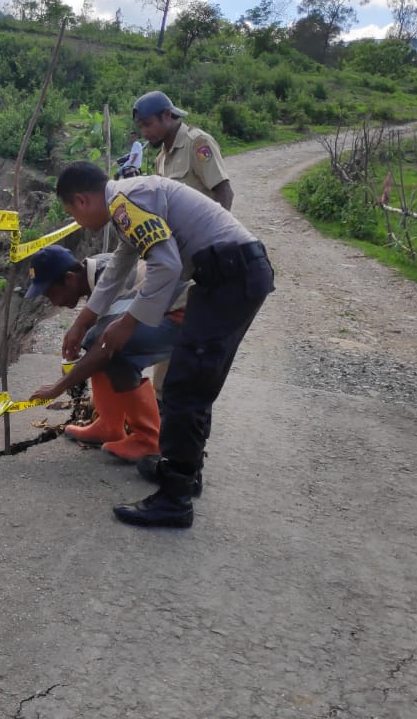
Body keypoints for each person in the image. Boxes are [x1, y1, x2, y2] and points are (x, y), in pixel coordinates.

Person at [53, 161, 274, 529]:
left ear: (81, 199)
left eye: (71, 213)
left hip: (231, 277)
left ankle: (175, 500)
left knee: (186, 388)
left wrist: (129, 322)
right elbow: (121, 267)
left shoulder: (126, 204)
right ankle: (184, 473)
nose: (76, 221)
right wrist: (82, 322)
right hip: (225, 275)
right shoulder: (128, 202)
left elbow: (167, 266)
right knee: (193, 383)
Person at [24, 245, 187, 462]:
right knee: (95, 342)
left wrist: (58, 387)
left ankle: (147, 440)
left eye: (50, 294)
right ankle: (109, 425)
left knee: (111, 350)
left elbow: (104, 347)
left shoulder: (112, 281)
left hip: (184, 316)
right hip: (167, 308)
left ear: (69, 278)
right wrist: (80, 326)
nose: (53, 302)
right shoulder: (97, 266)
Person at [132, 90, 234, 211]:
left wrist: (215, 229)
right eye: (140, 127)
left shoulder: (197, 143)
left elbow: (224, 192)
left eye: (148, 125)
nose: (144, 133)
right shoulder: (161, 158)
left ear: (167, 115)